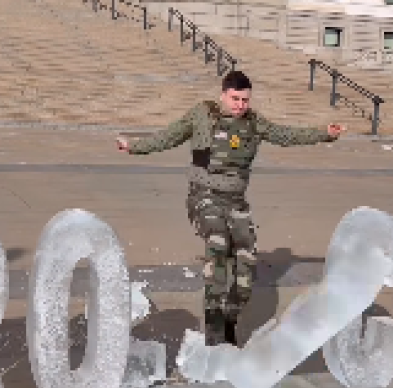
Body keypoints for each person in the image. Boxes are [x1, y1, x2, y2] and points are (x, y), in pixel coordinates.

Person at [117, 70, 346, 346]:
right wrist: (134, 147)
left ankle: (228, 322)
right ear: (223, 95)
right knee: (218, 244)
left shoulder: (253, 123)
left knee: (246, 270)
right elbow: (169, 135)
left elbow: (286, 135)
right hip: (204, 196)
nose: (240, 105)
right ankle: (214, 334)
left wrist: (325, 133)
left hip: (236, 203)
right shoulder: (202, 114)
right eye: (235, 99)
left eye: (245, 100)